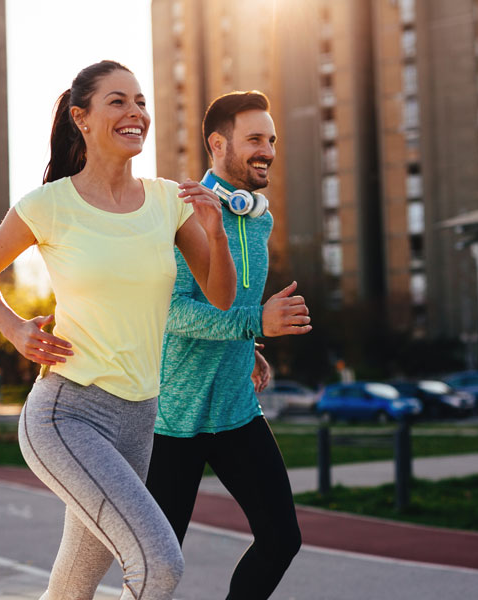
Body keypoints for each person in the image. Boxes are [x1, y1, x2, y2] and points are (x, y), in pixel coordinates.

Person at [0, 60, 236, 600]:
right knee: (159, 565)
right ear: (81, 118)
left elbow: (219, 296)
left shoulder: (166, 202)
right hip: (67, 414)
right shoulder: (49, 204)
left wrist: (217, 235)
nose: (136, 112)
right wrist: (16, 331)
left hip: (138, 418)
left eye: (140, 102)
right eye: (118, 101)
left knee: (71, 589)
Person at [146, 90, 312, 599]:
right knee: (159, 562)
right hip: (174, 418)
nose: (268, 150)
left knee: (282, 538)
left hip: (237, 409)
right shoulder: (181, 213)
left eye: (272, 140)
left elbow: (229, 302)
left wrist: (250, 344)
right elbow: (171, 312)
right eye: (255, 139)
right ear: (218, 144)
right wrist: (252, 323)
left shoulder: (259, 217)